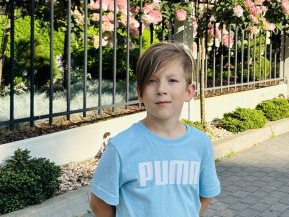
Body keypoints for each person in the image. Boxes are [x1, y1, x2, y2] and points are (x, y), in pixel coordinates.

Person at [89, 42, 220, 217]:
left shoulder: (201, 143)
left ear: (189, 91)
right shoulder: (121, 147)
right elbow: (99, 203)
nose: (161, 90)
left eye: (172, 80)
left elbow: (206, 194)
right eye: (151, 81)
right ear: (140, 92)